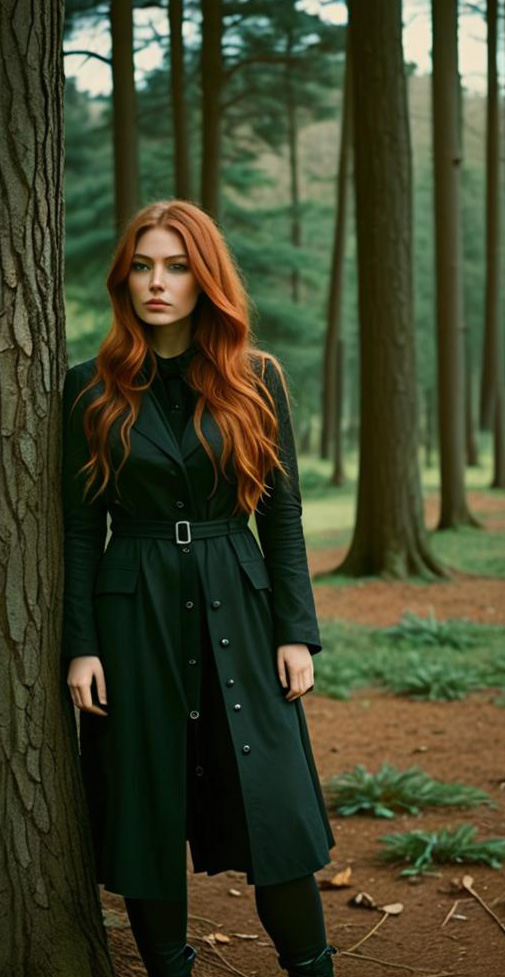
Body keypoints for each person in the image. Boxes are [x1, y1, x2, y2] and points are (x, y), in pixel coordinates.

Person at [61, 200, 338, 977]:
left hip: (241, 604)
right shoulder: (89, 387)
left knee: (274, 806)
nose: (158, 281)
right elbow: (79, 529)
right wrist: (80, 646)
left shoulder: (257, 379)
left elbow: (281, 513)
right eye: (144, 265)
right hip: (133, 609)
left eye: (176, 265)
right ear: (125, 280)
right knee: (146, 807)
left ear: (204, 277)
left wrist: (296, 631)